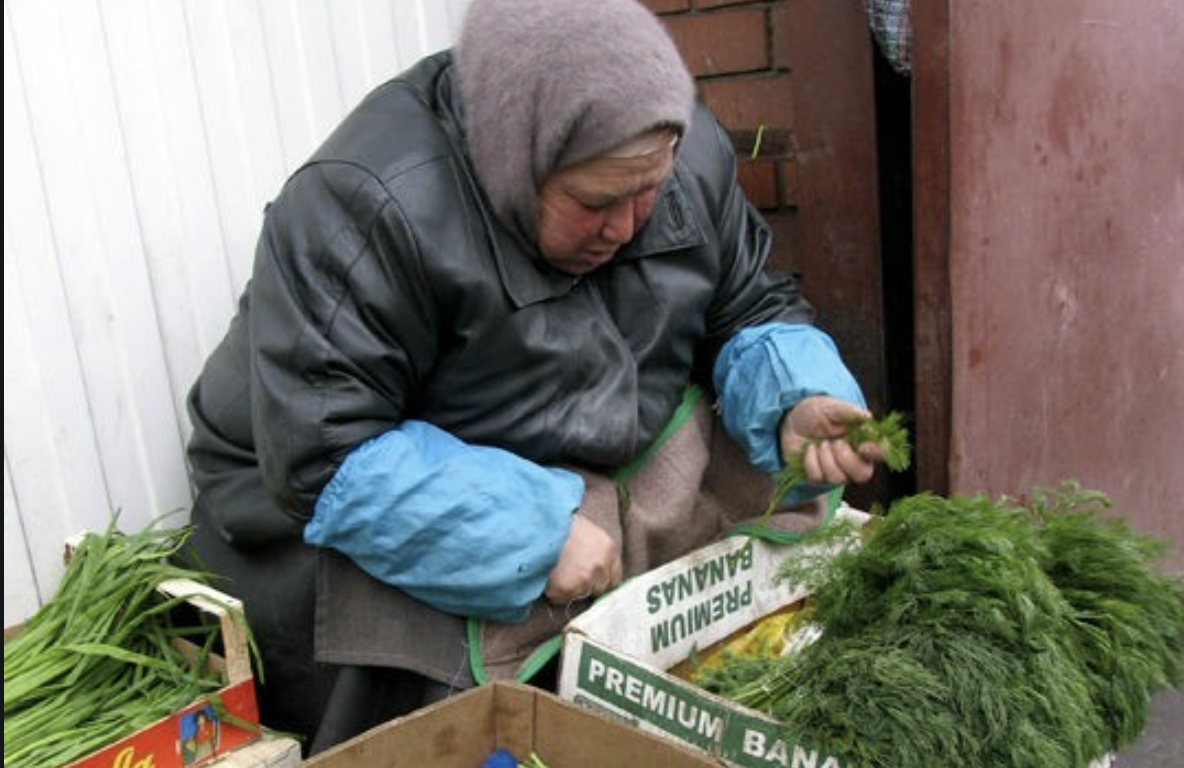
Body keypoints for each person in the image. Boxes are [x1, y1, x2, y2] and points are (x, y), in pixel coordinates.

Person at [182, 0, 888, 756]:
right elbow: (322, 455)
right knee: (451, 623)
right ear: (516, 157)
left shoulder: (682, 150)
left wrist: (796, 397)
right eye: (593, 203)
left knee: (747, 473)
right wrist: (531, 535)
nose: (627, 227)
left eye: (649, 190)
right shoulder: (365, 203)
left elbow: (748, 303)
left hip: (556, 427)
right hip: (325, 480)